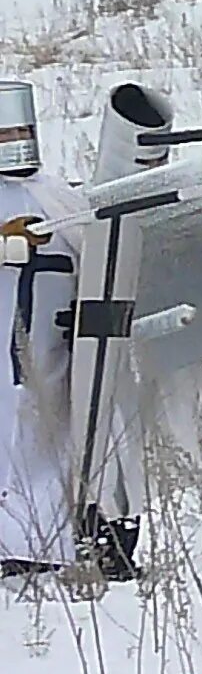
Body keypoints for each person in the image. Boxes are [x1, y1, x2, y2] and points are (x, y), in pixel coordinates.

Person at [0, 81, 92, 573]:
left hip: (49, 341)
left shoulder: (51, 190)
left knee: (46, 434)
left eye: (19, 129)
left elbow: (89, 241)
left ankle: (43, 542)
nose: (12, 138)